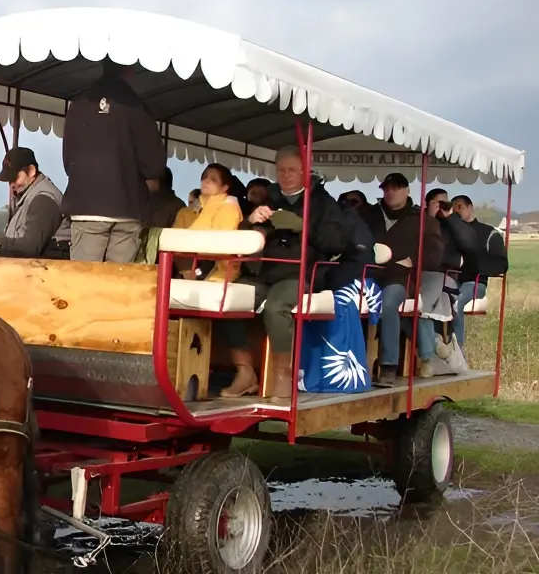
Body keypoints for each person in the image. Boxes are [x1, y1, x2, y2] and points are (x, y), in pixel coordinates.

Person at [215, 146, 352, 401]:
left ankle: (284, 375)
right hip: (264, 270)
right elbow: (245, 234)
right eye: (281, 170)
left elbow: (337, 244)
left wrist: (303, 227)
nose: (286, 175)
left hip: (301, 273)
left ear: (305, 171)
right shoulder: (270, 197)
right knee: (227, 298)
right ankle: (244, 371)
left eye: (292, 170)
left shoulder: (322, 202)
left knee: (276, 307)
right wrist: (251, 220)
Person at [60, 60, 167, 263]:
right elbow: (154, 165)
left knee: (84, 283)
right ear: (130, 70)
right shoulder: (137, 107)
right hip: (127, 208)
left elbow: (68, 162)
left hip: (86, 206)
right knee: (116, 285)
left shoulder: (79, 105)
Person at [358, 174, 445, 381]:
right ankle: (355, 361)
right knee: (345, 300)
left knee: (389, 303)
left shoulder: (422, 220)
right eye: (387, 188)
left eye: (396, 188)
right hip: (368, 274)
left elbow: (435, 253)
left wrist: (413, 261)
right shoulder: (369, 215)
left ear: (407, 191)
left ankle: (389, 364)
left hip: (401, 277)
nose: (390, 192)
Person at [0, 146, 72, 258]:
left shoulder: (44, 199)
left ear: (31, 171)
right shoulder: (28, 196)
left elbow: (30, 247)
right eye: (9, 180)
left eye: (14, 178)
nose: (11, 184)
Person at [450, 195, 509, 347]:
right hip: (449, 281)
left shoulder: (489, 233)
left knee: (457, 301)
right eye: (454, 207)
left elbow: (501, 264)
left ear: (470, 207)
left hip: (474, 283)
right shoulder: (448, 233)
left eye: (460, 206)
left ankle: (458, 353)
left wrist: (474, 266)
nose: (457, 210)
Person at [170, 163, 243, 281]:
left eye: (213, 179)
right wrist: (186, 270)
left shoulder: (230, 207)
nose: (206, 181)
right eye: (204, 177)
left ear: (224, 187)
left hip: (220, 272)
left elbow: (219, 243)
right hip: (186, 269)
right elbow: (174, 245)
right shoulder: (185, 211)